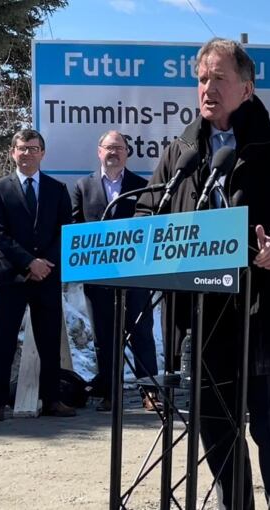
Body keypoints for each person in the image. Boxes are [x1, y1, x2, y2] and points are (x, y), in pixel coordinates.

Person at [136, 38, 270, 510]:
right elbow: (148, 210)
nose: (207, 88)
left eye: (219, 78)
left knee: (268, 423)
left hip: (255, 308)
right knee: (215, 425)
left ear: (247, 88)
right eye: (202, 79)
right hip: (199, 313)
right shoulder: (181, 149)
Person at [0, 129, 75, 421]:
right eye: (22, 148)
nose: (28, 154)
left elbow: (64, 230)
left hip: (47, 276)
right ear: (13, 152)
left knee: (49, 342)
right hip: (13, 277)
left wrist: (44, 263)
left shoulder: (57, 189)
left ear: (42, 153)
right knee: (3, 341)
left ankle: (51, 400)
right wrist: (28, 263)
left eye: (34, 148)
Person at [72, 130, 159, 412]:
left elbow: (149, 229)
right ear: (99, 151)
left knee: (141, 334)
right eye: (109, 147)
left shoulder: (142, 185)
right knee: (105, 338)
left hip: (134, 276)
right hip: (99, 278)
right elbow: (75, 230)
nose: (114, 152)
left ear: (127, 153)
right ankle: (111, 392)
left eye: (119, 148)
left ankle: (150, 392)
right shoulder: (82, 187)